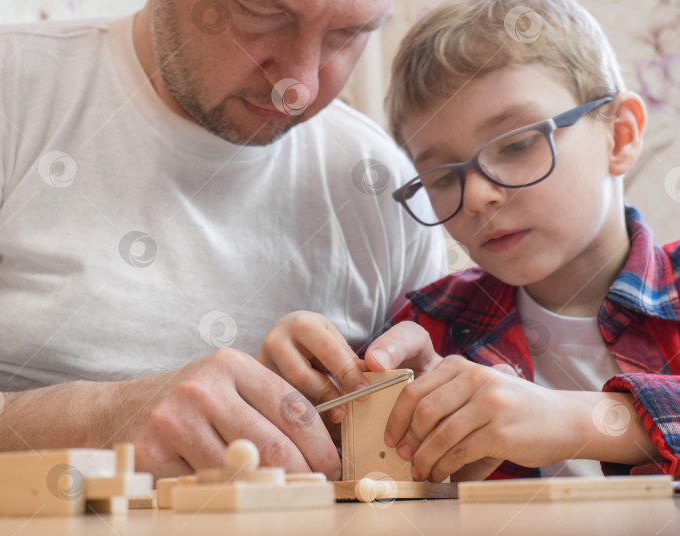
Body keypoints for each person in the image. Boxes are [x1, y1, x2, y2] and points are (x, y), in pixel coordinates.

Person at [0, 0, 445, 480]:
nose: (300, 83)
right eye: (263, 13)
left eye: (348, 35)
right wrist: (97, 420)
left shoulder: (384, 184)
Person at [259, 0, 680, 482]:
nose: (477, 195)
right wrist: (310, 403)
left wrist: (580, 420)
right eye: (441, 177)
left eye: (517, 144)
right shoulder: (430, 328)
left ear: (620, 136)